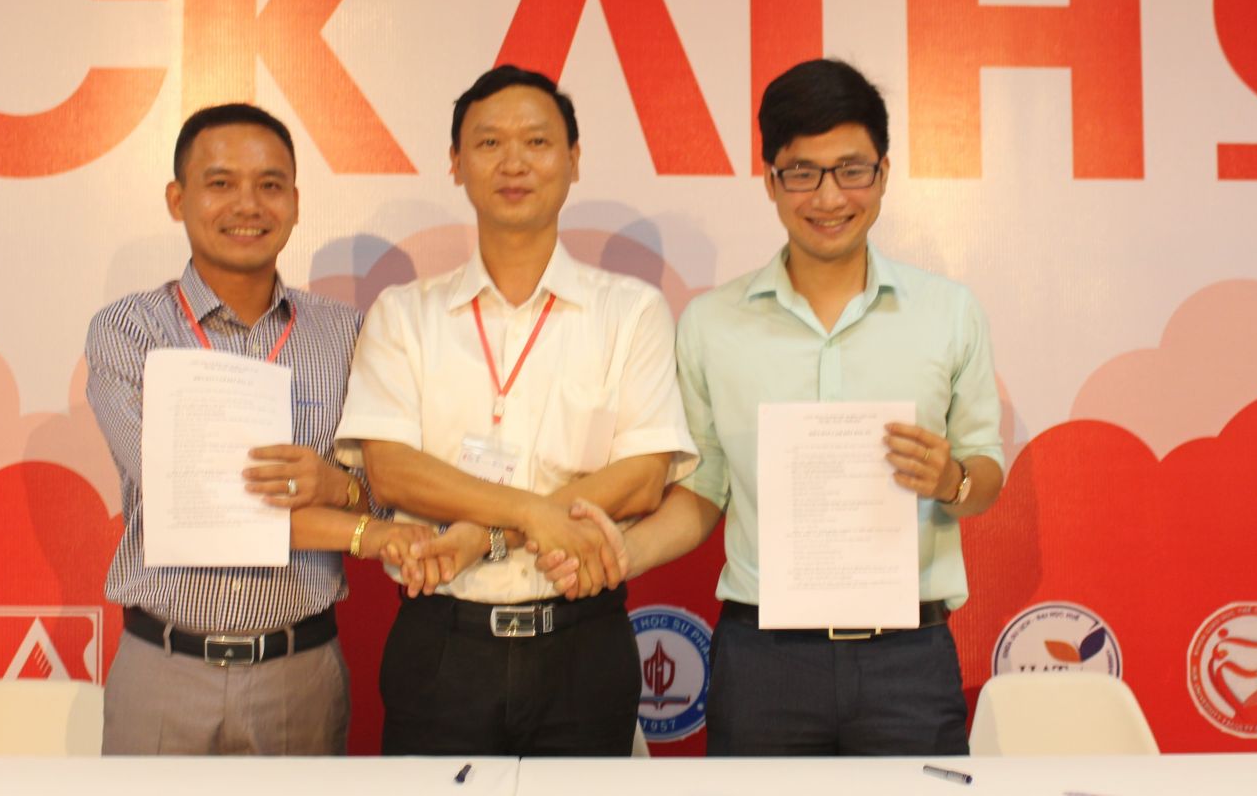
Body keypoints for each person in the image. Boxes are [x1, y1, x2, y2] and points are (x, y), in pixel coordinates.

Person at [544, 58, 1004, 756]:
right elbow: (703, 491)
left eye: (852, 170)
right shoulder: (712, 324)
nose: (829, 196)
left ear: (884, 173)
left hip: (908, 658)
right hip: (764, 660)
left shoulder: (948, 313)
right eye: (802, 173)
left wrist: (952, 480)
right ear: (770, 180)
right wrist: (620, 553)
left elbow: (985, 474)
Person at [333, 65, 697, 757]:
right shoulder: (405, 314)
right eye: (489, 142)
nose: (514, 162)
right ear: (456, 163)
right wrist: (534, 513)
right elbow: (392, 471)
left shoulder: (630, 311)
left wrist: (484, 534)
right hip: (443, 643)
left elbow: (643, 477)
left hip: (582, 640)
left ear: (573, 159)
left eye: (537, 141)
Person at [86, 102, 431, 755]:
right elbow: (194, 499)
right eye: (220, 183)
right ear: (177, 198)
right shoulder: (130, 331)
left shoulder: (346, 335)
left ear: (296, 203)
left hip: (300, 673)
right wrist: (364, 532)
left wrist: (340, 486)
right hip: (164, 670)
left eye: (270, 185)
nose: (247, 204)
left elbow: (389, 491)